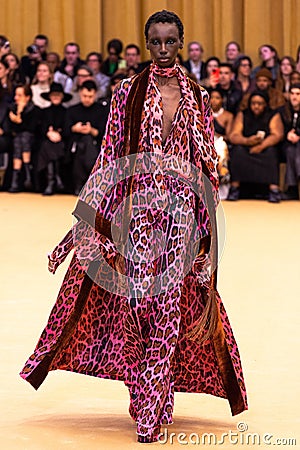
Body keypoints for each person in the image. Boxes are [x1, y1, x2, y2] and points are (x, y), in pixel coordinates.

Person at [20, 10, 247, 444]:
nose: (163, 50)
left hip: (182, 212)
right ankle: (148, 395)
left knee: (170, 308)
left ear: (181, 42)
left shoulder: (198, 96)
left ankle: (151, 404)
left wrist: (208, 232)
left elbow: (207, 168)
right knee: (139, 309)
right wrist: (77, 231)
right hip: (136, 213)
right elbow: (108, 158)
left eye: (170, 42)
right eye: (156, 42)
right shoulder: (126, 92)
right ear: (147, 44)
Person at [228, 90, 284, 202]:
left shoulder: (273, 114)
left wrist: (261, 146)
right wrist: (247, 141)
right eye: (253, 103)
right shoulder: (242, 114)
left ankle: (274, 190)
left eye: (260, 104)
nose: (256, 106)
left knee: (272, 152)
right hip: (246, 146)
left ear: (265, 104)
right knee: (237, 151)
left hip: (265, 147)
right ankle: (235, 189)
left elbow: (277, 135)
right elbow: (233, 135)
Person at [65, 79, 109, 194]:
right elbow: (65, 131)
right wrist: (74, 128)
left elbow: (105, 133)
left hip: (95, 143)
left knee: (87, 142)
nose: (87, 99)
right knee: (83, 144)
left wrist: (92, 131)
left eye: (90, 96)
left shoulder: (102, 110)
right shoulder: (72, 110)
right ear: (80, 93)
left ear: (95, 94)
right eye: (84, 96)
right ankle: (88, 184)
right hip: (75, 143)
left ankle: (80, 185)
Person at [37, 82, 72, 195]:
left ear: (62, 97)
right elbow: (41, 128)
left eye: (58, 95)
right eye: (53, 94)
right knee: (47, 145)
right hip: (47, 140)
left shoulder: (67, 112)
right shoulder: (44, 112)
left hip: (63, 141)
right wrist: (49, 133)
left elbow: (68, 129)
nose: (56, 97)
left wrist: (58, 134)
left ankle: (52, 181)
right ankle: (55, 178)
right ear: (49, 96)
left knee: (52, 146)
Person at [8, 84, 40, 192]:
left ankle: (16, 180)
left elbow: (31, 128)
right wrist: (18, 113)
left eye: (19, 95)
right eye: (16, 95)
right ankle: (27, 175)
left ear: (27, 97)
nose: (16, 98)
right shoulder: (12, 108)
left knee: (24, 137)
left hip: (33, 139)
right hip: (18, 140)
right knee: (19, 139)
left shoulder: (35, 110)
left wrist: (19, 119)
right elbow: (12, 129)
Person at [210, 88, 233, 199]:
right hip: (206, 142)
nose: (214, 100)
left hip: (221, 143)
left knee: (220, 149)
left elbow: (229, 136)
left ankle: (222, 180)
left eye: (217, 98)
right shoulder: (202, 113)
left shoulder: (228, 116)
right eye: (212, 97)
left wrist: (217, 136)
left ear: (222, 100)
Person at [278, 83, 300, 200]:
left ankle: (292, 187)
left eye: (298, 94)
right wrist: (288, 134)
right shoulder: (283, 110)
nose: (294, 97)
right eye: (292, 94)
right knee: (291, 150)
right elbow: (278, 128)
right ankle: (293, 186)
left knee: (295, 149)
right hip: (286, 144)